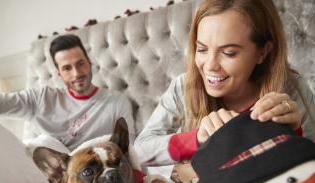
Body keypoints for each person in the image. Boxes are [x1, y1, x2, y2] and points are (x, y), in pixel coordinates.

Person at [134, 0, 315, 166]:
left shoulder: (292, 89)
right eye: (202, 49)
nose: (210, 66)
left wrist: (294, 134)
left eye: (228, 53)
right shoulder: (182, 87)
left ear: (263, 52)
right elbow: (139, 153)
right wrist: (196, 139)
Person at [0, 34, 134, 151]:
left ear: (89, 63)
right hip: (42, 175)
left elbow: (128, 147)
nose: (77, 73)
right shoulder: (40, 98)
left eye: (80, 63)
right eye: (67, 68)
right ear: (58, 73)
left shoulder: (116, 101)